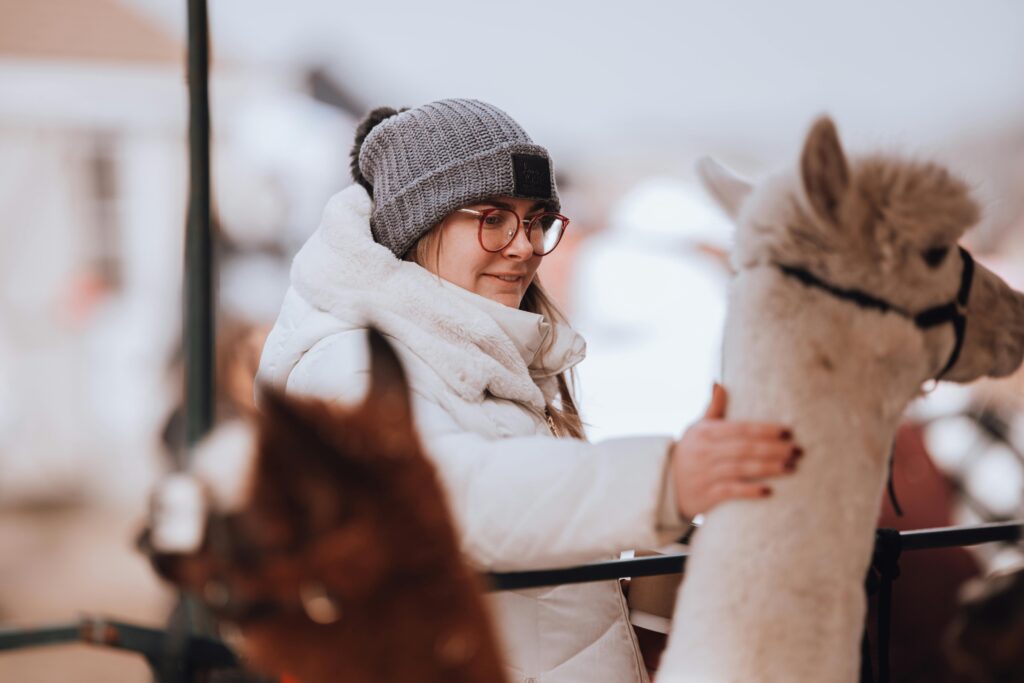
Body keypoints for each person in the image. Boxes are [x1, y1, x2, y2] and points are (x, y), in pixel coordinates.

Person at [255, 99, 800, 683]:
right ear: (417, 224)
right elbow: (451, 496)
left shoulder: (481, 354)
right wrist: (665, 481)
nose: (525, 246)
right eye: (492, 218)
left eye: (537, 219)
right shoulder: (353, 364)